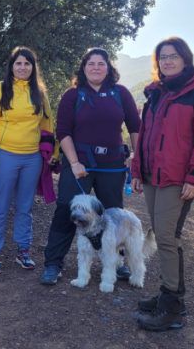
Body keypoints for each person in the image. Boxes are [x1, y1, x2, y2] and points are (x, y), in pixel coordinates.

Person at [130, 37, 194, 331]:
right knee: (162, 233)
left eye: (173, 56)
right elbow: (143, 135)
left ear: (185, 58)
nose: (167, 61)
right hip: (153, 176)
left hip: (178, 179)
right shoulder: (156, 92)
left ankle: (173, 308)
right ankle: (166, 295)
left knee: (167, 238)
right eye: (162, 57)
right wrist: (137, 170)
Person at [40, 48, 141, 285]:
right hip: (79, 165)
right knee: (66, 210)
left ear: (109, 68)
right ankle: (53, 264)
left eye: (101, 63)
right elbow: (63, 132)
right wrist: (74, 163)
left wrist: (136, 155)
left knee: (113, 215)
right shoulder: (72, 96)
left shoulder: (121, 93)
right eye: (91, 63)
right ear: (83, 68)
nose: (96, 67)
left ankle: (118, 263)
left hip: (112, 166)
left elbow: (135, 126)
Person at [0, 46, 57, 274]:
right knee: (0, 205)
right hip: (4, 154)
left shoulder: (40, 93)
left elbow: (47, 124)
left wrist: (53, 153)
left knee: (25, 207)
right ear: (12, 66)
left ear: (33, 67)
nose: (23, 67)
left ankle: (23, 250)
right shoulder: (0, 88)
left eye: (27, 63)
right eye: (18, 63)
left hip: (32, 157)